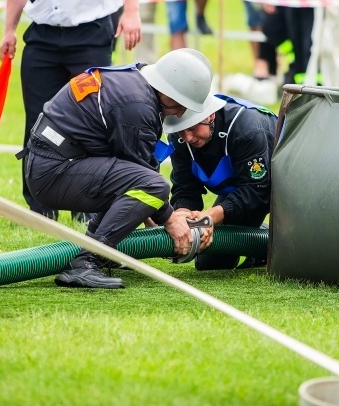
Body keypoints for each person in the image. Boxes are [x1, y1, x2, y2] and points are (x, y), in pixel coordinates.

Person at [0, 0, 142, 220]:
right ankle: (39, 206)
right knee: (38, 120)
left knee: (94, 119)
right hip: (43, 35)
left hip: (90, 33)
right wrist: (9, 29)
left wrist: (133, 11)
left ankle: (89, 201)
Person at [23, 49, 214, 289]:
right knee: (154, 187)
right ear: (167, 91)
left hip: (54, 162)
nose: (181, 113)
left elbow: (133, 171)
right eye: (182, 104)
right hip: (54, 171)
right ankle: (86, 262)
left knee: (141, 186)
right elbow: (143, 177)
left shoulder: (136, 81)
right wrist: (169, 219)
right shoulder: (137, 105)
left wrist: (158, 212)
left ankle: (97, 250)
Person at [163, 92, 276, 270]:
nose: (188, 138)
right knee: (210, 263)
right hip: (241, 190)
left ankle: (267, 242)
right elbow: (185, 187)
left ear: (210, 115)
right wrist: (182, 215)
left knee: (291, 255)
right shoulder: (180, 139)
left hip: (283, 189)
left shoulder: (247, 129)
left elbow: (257, 192)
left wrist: (210, 216)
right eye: (180, 131)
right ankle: (261, 239)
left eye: (192, 128)